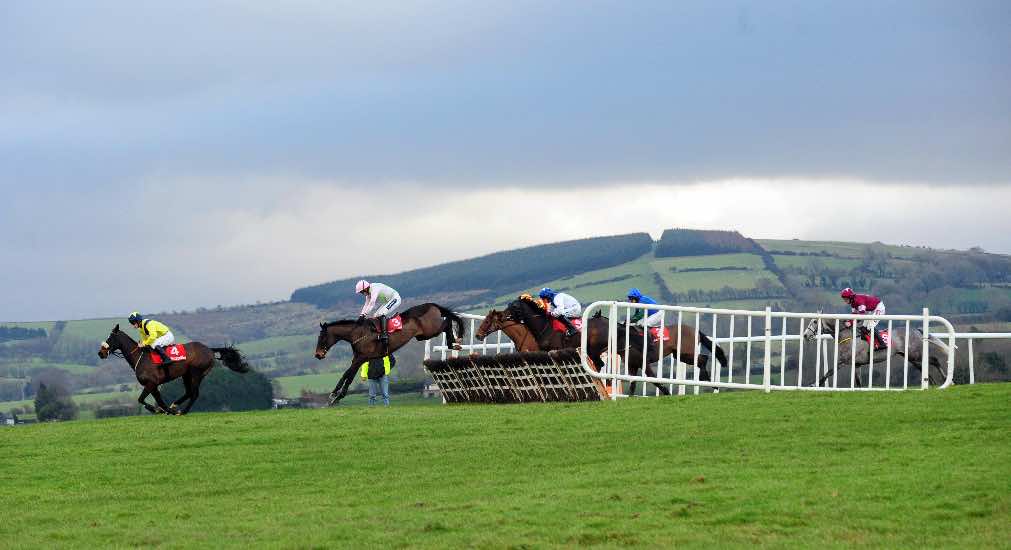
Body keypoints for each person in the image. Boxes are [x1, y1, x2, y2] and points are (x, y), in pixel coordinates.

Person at [356, 280, 402, 346]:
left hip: (395, 298)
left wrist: (364, 315)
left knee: (381, 313)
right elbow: (366, 305)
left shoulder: (374, 289)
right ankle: (380, 332)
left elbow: (372, 303)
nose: (361, 293)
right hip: (387, 301)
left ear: (365, 288)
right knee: (375, 315)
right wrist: (361, 315)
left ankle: (384, 334)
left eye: (361, 291)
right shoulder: (368, 293)